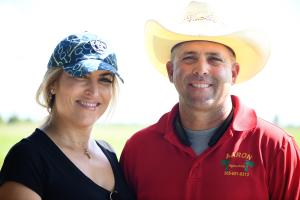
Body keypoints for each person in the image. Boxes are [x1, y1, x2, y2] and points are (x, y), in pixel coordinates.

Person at [120, 1, 300, 200]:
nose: (201, 69)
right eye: (189, 58)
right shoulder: (138, 149)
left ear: (233, 72)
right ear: (171, 71)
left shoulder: (275, 147)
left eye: (214, 59)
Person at [0, 32, 135, 200]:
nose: (94, 91)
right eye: (81, 76)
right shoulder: (27, 159)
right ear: (52, 84)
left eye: (105, 80)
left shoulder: (109, 152)